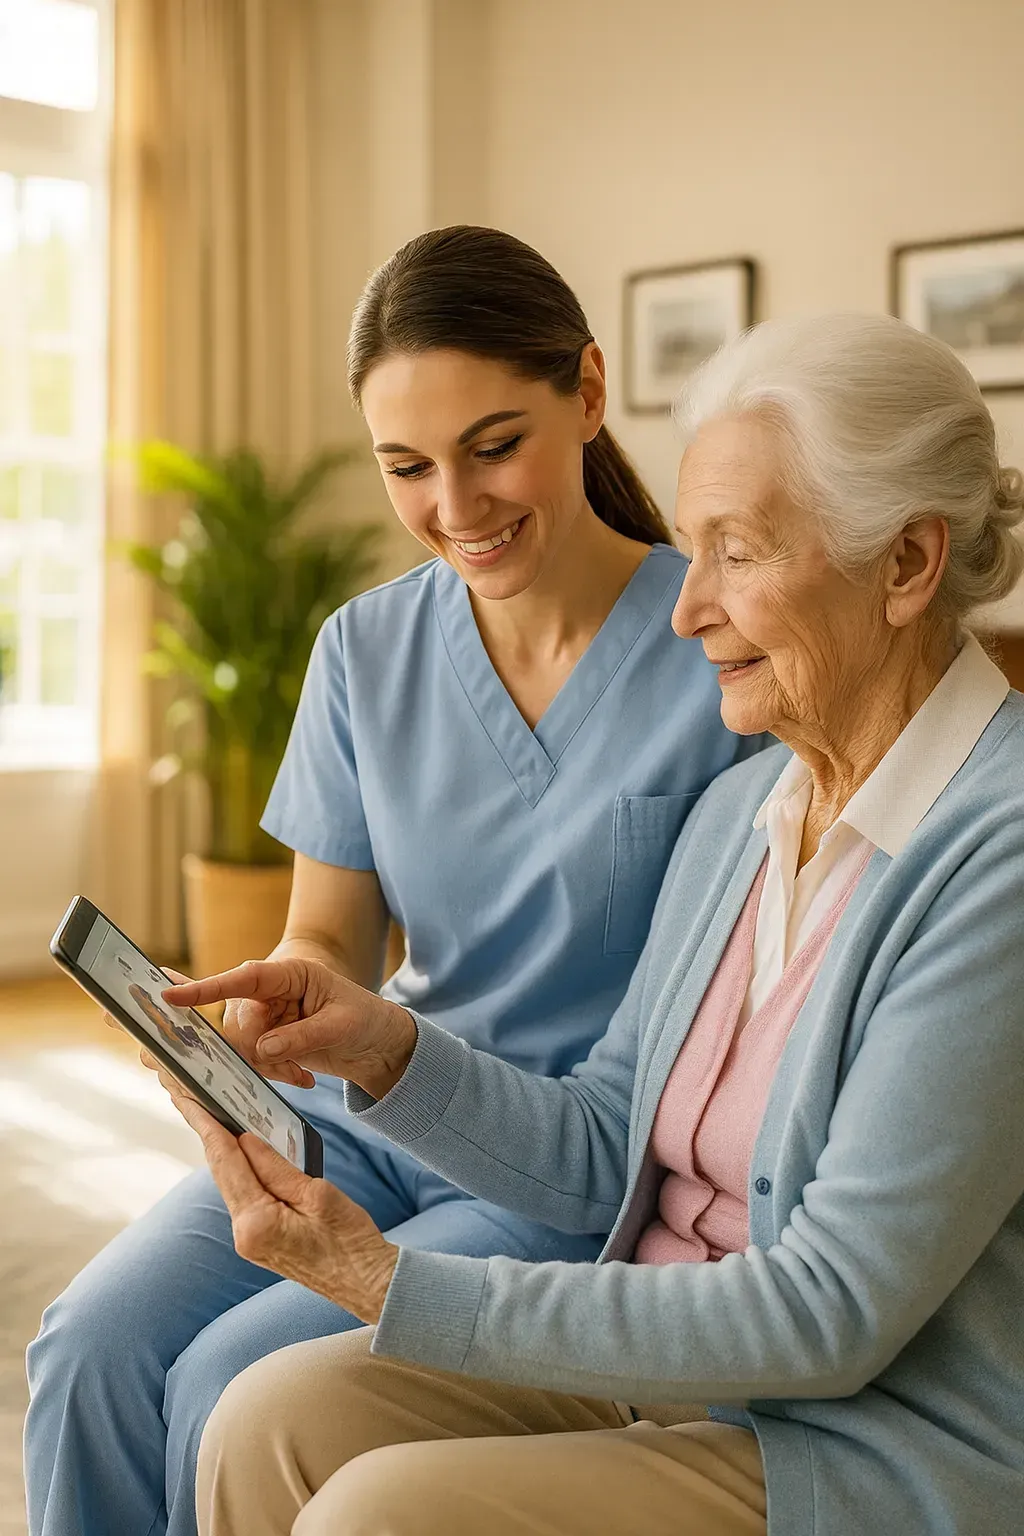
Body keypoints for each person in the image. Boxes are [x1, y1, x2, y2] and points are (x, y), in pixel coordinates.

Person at [162, 313, 1023, 1536]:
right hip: (669, 1372)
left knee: (381, 1515)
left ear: (906, 564)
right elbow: (610, 1138)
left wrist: (387, 1282)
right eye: (693, 550)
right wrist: (385, 1050)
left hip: (859, 1438)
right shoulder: (744, 814)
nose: (687, 609)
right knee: (266, 1418)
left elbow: (826, 1314)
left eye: (736, 554)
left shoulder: (997, 854)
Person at [24, 227, 767, 1536]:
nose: (455, 507)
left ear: (588, 393)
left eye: (494, 446)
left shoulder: (719, 650)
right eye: (407, 467)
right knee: (87, 1345)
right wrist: (264, 1010)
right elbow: (328, 938)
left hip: (557, 1169)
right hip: (367, 1118)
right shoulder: (363, 650)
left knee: (222, 1381)